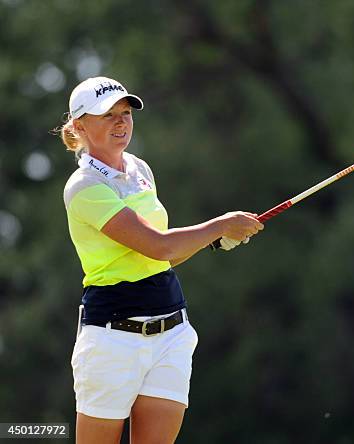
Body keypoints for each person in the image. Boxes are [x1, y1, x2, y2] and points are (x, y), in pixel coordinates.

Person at [59, 76, 264, 444]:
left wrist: (213, 241)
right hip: (112, 338)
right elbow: (158, 245)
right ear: (79, 126)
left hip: (171, 332)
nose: (121, 122)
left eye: (125, 113)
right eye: (107, 115)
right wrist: (221, 224)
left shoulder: (140, 170)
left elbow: (159, 259)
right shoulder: (84, 186)